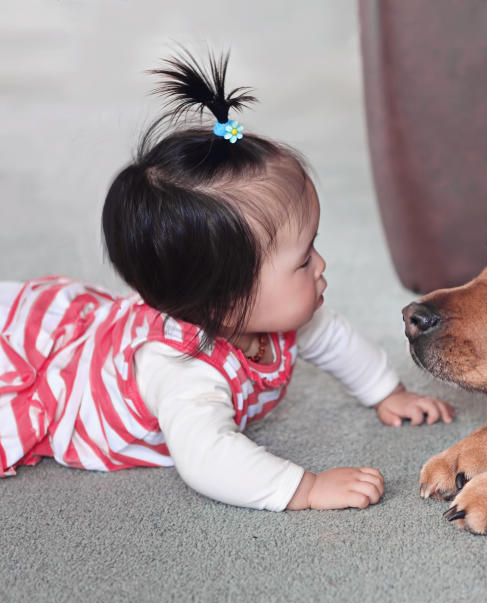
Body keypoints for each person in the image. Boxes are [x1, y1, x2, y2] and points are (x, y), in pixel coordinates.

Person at [0, 51, 454, 512]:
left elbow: (335, 339)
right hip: (81, 385)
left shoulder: (285, 312)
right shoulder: (182, 372)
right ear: (222, 300)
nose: (321, 266)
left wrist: (387, 393)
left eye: (313, 247)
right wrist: (307, 488)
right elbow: (207, 460)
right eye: (302, 261)